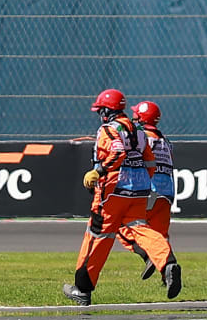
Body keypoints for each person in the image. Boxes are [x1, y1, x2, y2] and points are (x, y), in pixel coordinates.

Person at [63, 89, 182, 306]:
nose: (100, 115)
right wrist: (144, 181)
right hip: (139, 191)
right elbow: (150, 160)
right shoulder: (138, 130)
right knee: (141, 228)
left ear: (107, 111)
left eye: (101, 111)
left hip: (112, 191)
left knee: (97, 235)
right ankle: (167, 263)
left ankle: (82, 289)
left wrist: (98, 173)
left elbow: (117, 152)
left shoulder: (108, 129)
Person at [117, 100, 176, 281]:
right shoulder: (165, 140)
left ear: (142, 117)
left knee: (121, 226)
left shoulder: (140, 136)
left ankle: (146, 255)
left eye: (136, 114)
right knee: (160, 236)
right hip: (167, 193)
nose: (133, 116)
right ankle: (169, 273)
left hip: (148, 189)